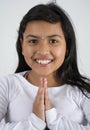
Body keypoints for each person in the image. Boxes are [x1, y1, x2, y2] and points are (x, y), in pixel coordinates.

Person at [0, 2, 90, 130]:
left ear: (67, 47)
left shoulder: (84, 90)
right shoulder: (6, 85)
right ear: (22, 46)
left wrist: (54, 119)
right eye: (33, 41)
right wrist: (34, 123)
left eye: (53, 41)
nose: (43, 51)